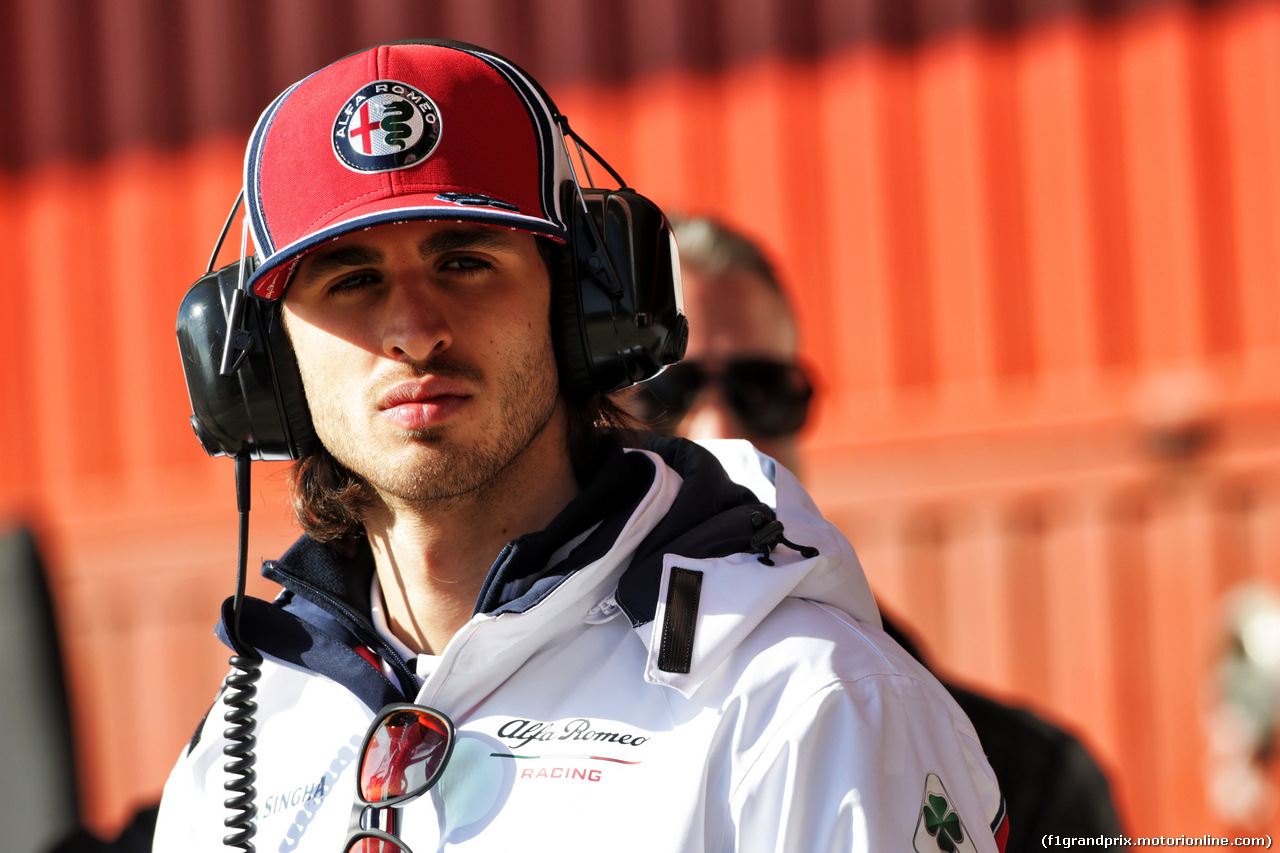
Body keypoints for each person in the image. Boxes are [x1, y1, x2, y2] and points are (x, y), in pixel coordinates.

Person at [154, 41, 1009, 852]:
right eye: (352, 279)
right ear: (264, 368)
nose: (414, 331)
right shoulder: (240, 751)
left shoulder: (805, 701)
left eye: (464, 262)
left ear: (584, 314)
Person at [627, 214, 1125, 853]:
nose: (722, 429)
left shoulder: (1024, 776)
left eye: (764, 391)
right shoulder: (495, 730)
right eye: (667, 391)